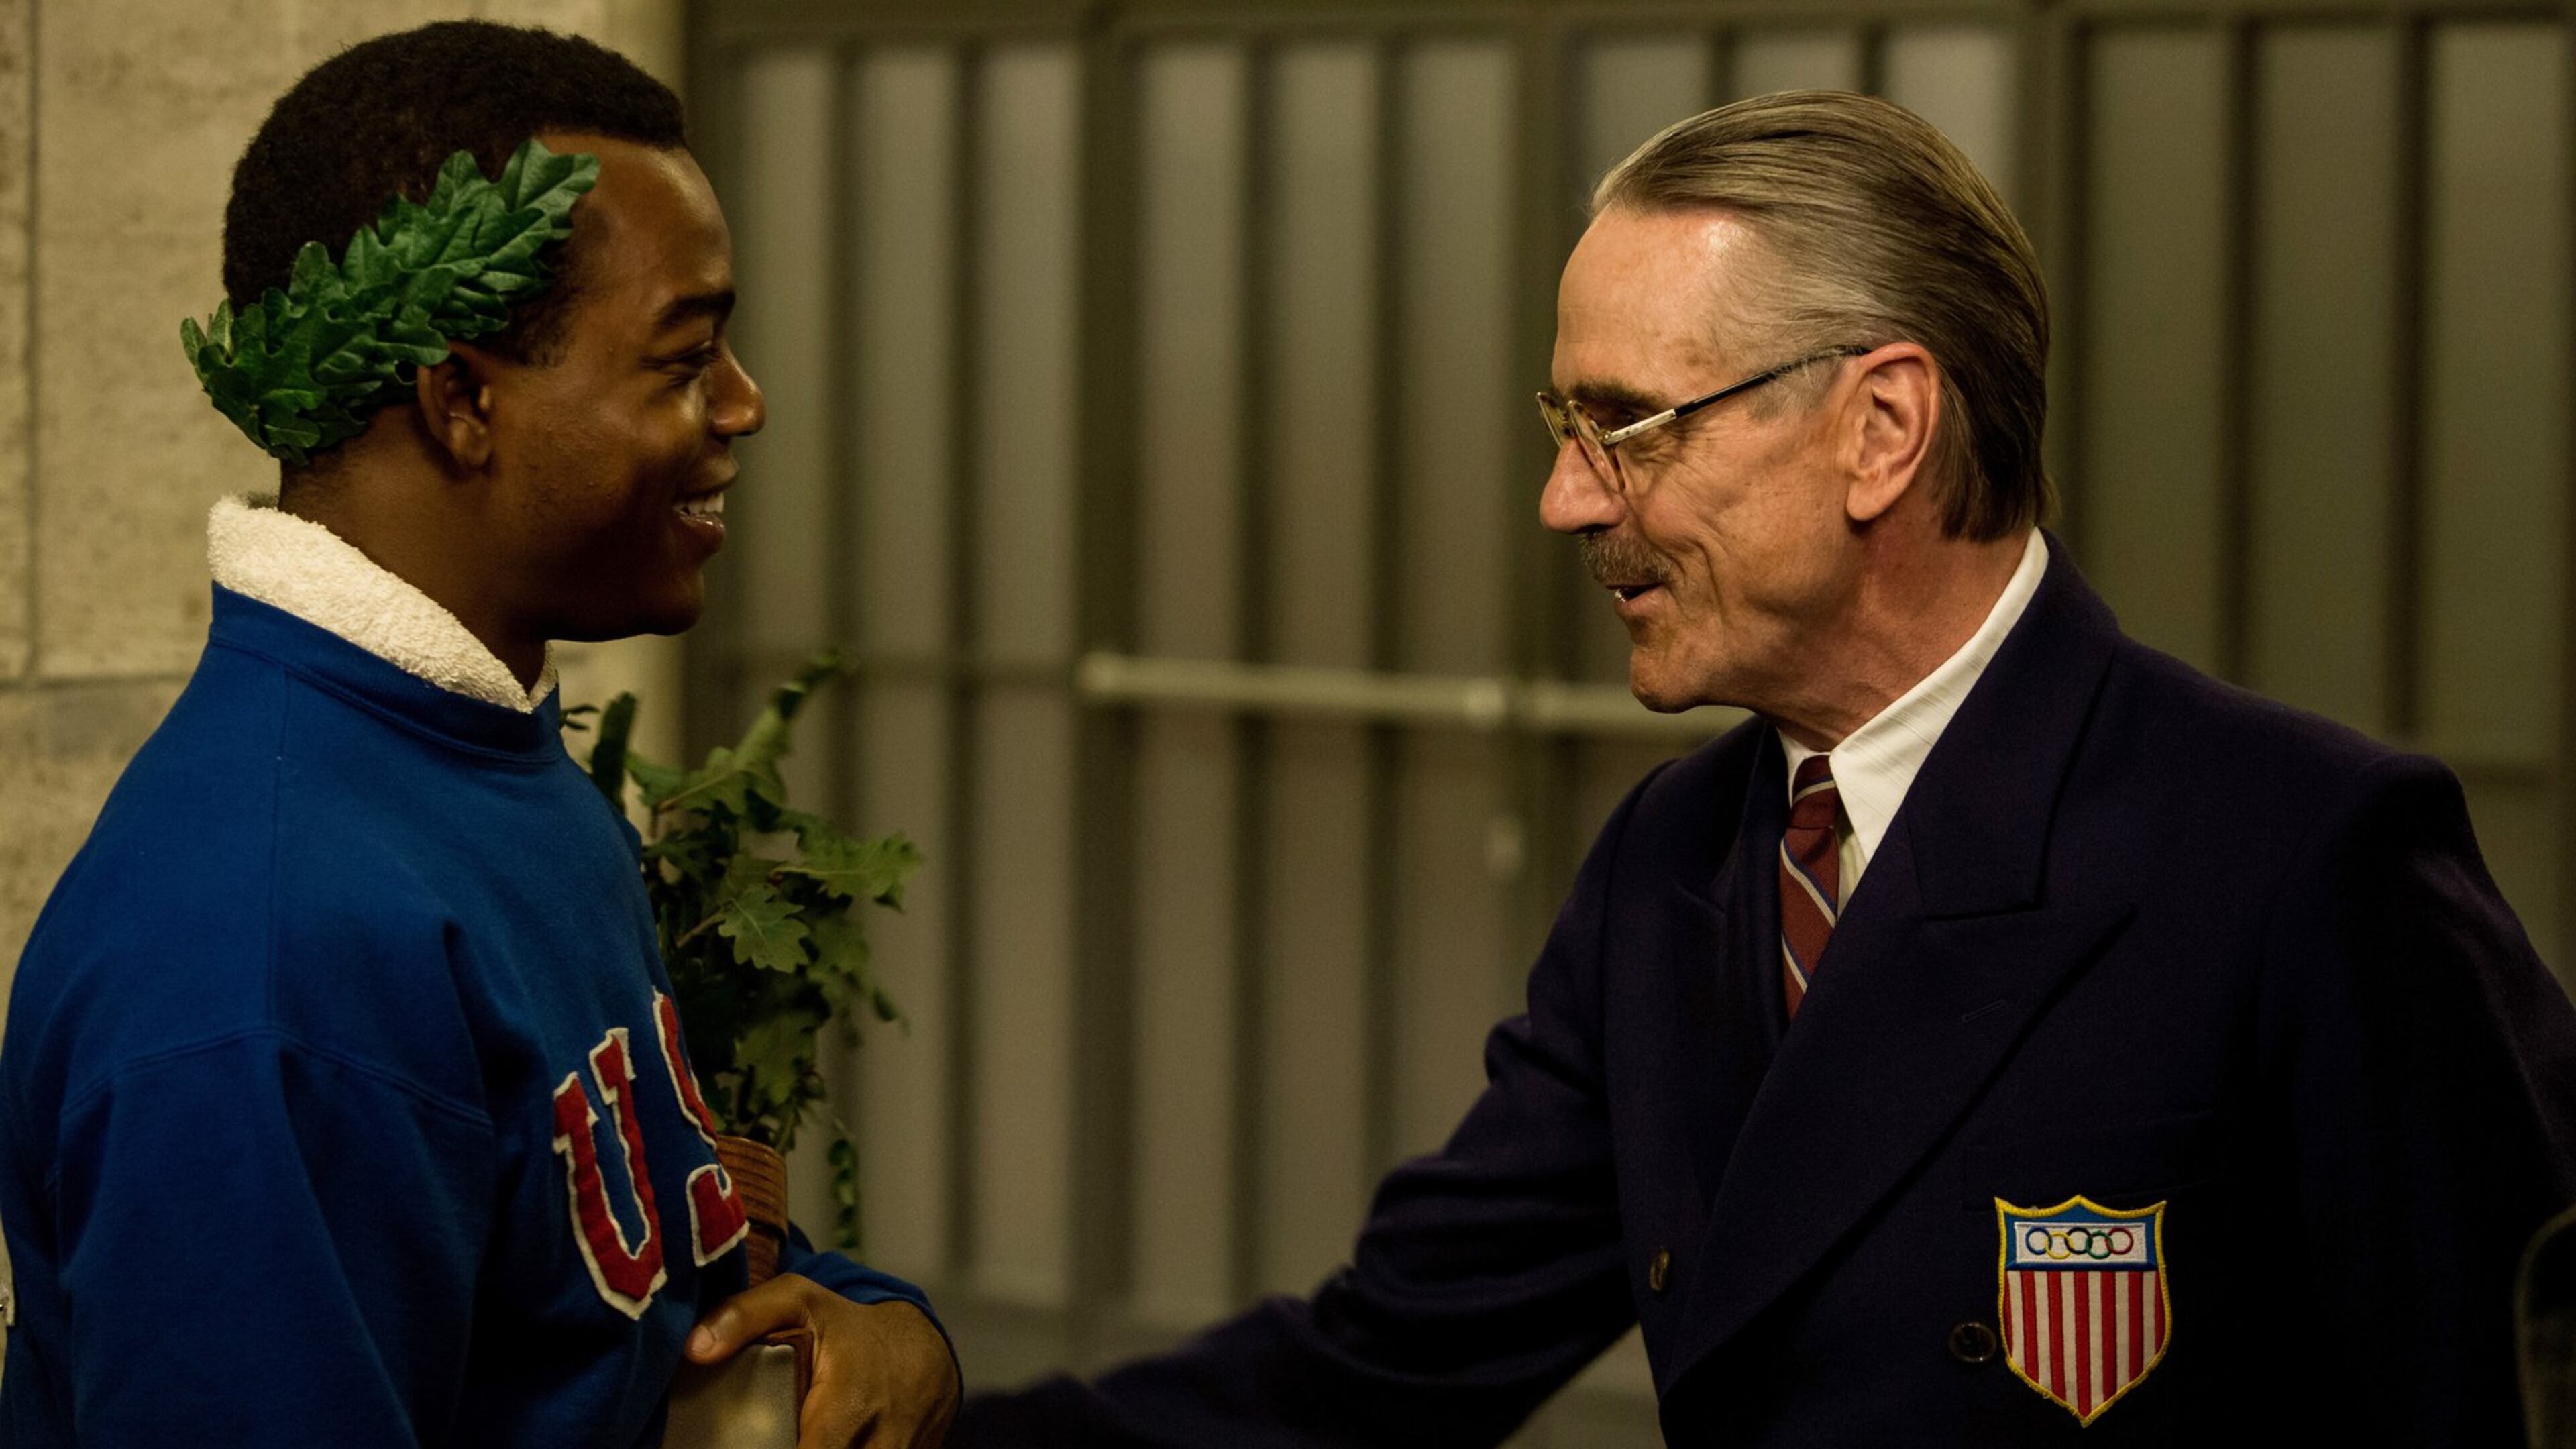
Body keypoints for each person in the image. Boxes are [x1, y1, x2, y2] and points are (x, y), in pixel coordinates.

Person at [956, 91, 2576, 1445]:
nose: (1567, 503)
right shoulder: (1677, 865)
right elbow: (1390, 1360)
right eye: (1562, 425)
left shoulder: (2296, 855)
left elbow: (2512, 1395)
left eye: (1629, 426)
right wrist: (919, 1421)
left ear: (1881, 429)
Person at [0, 21, 956, 1448]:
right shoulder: (262, 962)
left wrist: (884, 1333)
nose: (744, 405)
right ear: (464, 400)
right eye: (686, 356)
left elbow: (631, 1285)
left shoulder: (480, 763)